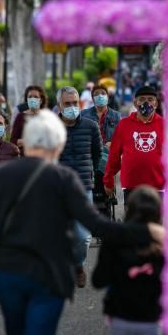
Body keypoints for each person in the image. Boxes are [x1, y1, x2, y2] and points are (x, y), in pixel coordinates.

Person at [0, 110, 164, 335]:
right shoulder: (63, 178)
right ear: (57, 145)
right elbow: (97, 225)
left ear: (27, 141)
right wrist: (147, 232)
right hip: (50, 277)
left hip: (8, 275)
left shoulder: (0, 178)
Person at [91, 186, 164, 335]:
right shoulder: (163, 244)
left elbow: (98, 280)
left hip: (120, 314)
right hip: (150, 318)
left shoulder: (114, 241)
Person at [57, 86, 103, 288]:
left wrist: (89, 172)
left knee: (83, 237)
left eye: (75, 103)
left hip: (83, 187)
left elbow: (97, 153)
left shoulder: (91, 126)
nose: (72, 107)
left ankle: (78, 266)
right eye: (67, 104)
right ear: (59, 105)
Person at [104, 86, 165, 204]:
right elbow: (114, 156)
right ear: (135, 103)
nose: (146, 102)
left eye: (150, 99)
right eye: (141, 99)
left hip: (158, 187)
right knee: (133, 221)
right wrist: (108, 181)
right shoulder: (124, 125)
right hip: (131, 187)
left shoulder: (165, 125)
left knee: (156, 222)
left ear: (156, 103)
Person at [81, 85, 122, 214]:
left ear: (107, 96)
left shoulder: (116, 116)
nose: (100, 96)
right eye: (96, 93)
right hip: (90, 154)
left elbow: (120, 137)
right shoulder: (84, 114)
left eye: (102, 93)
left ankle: (105, 199)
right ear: (92, 98)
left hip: (108, 156)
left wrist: (113, 144)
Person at [10, 85, 48, 153]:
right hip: (23, 157)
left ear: (41, 100)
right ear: (27, 100)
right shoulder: (20, 116)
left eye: (36, 97)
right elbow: (12, 140)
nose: (32, 99)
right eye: (30, 97)